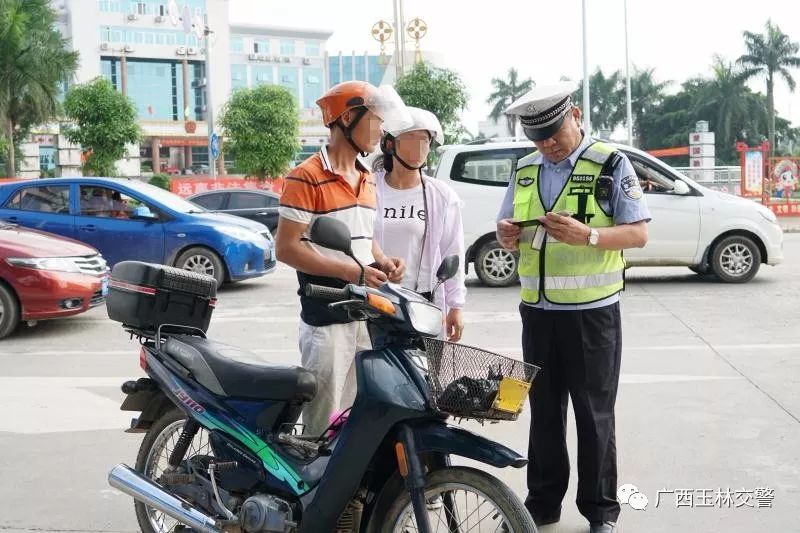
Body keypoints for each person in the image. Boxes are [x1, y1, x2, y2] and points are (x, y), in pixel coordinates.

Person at [496, 82, 651, 533]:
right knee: (543, 411)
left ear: (576, 115)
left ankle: (601, 511)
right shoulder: (525, 168)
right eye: (538, 137)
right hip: (537, 312)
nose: (547, 144)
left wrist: (590, 236)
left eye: (553, 133)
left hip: (591, 314)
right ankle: (542, 504)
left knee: (593, 413)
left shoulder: (610, 163)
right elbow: (508, 226)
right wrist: (506, 234)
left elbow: (638, 233)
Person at [276, 81, 410, 437]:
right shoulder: (305, 176)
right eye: (376, 119)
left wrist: (382, 262)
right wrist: (352, 271)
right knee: (321, 419)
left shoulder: (367, 178)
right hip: (326, 316)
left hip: (365, 312)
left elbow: (364, 239)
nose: (381, 129)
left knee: (354, 419)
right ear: (348, 117)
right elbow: (287, 248)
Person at [373, 107, 466, 342]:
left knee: (425, 376)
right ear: (390, 144)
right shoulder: (368, 188)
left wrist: (456, 305)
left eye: (424, 140)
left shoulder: (441, 194)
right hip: (375, 302)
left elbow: (452, 251)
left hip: (422, 303)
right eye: (411, 139)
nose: (419, 147)